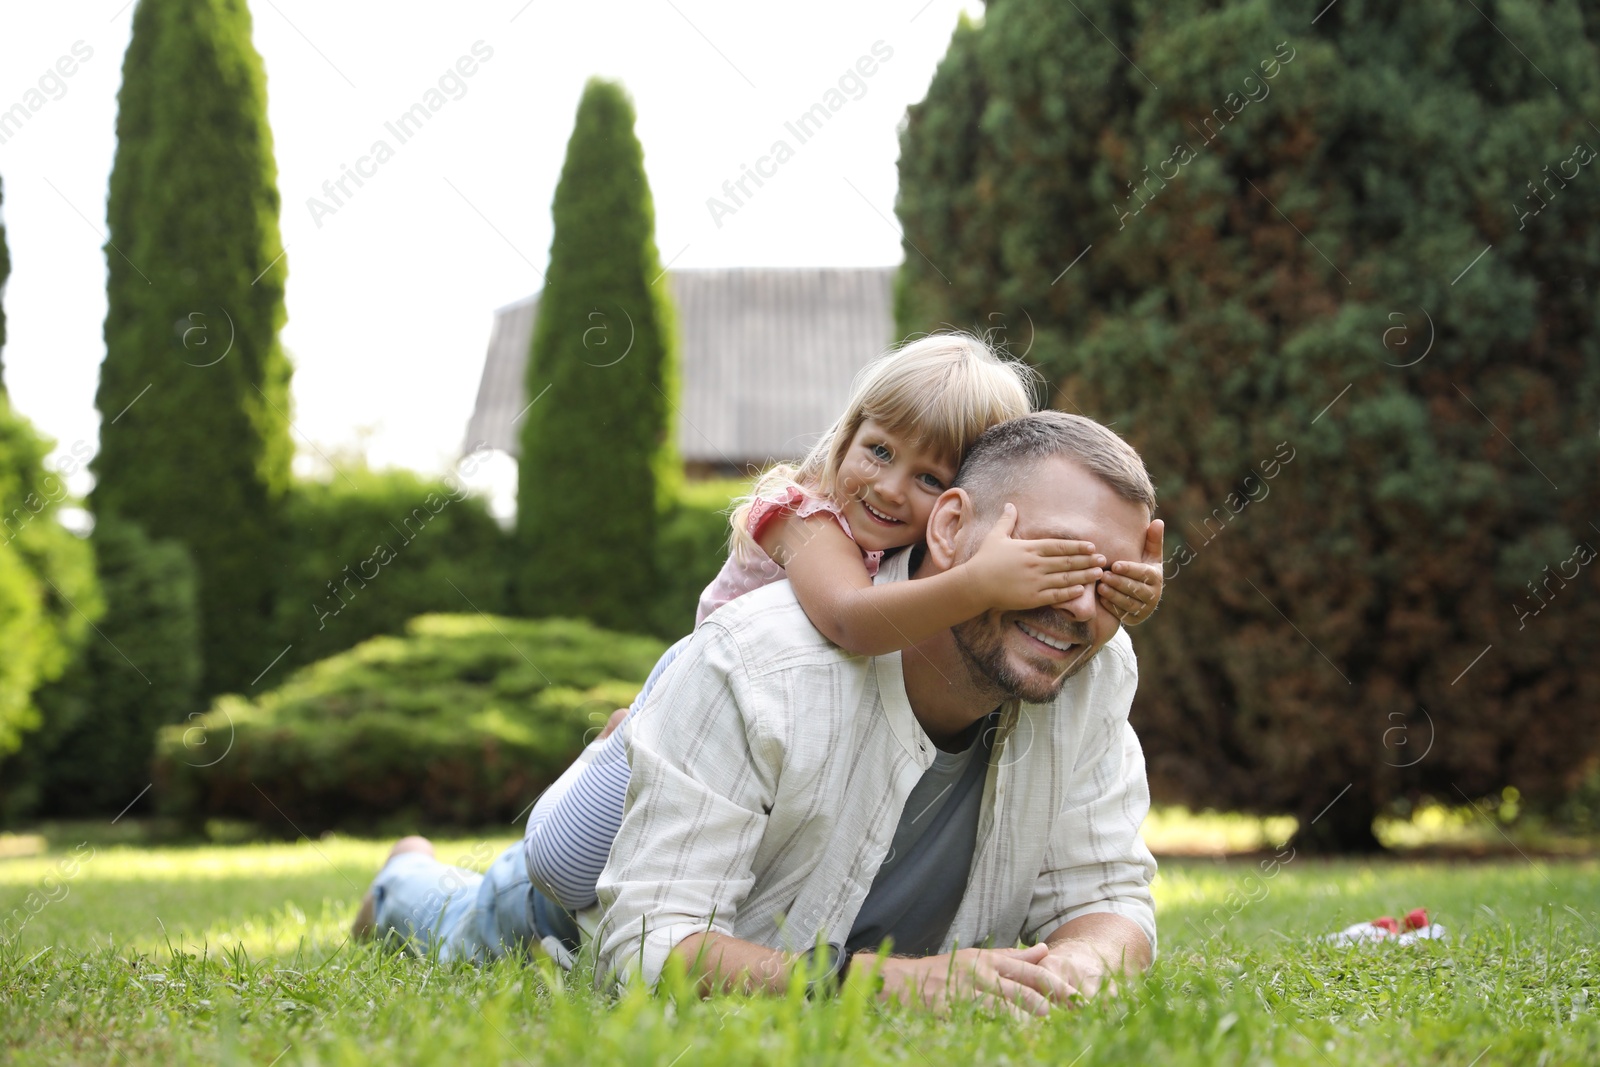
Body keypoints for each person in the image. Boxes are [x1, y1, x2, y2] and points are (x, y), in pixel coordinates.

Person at [356, 411, 1165, 1017]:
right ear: (950, 529)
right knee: (465, 921)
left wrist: (1080, 965)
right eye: (1055, 560)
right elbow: (642, 948)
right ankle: (401, 877)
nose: (1079, 606)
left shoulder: (1093, 666)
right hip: (564, 909)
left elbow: (1110, 896)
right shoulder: (761, 661)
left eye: (1115, 582)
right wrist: (888, 984)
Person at [521, 333, 1164, 910]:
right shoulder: (806, 517)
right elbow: (853, 621)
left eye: (928, 476)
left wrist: (1118, 586)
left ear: (956, 506)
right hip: (693, 705)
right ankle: (424, 860)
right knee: (563, 869)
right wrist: (978, 583)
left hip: (762, 745)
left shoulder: (912, 558)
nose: (888, 487)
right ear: (848, 434)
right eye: (879, 450)